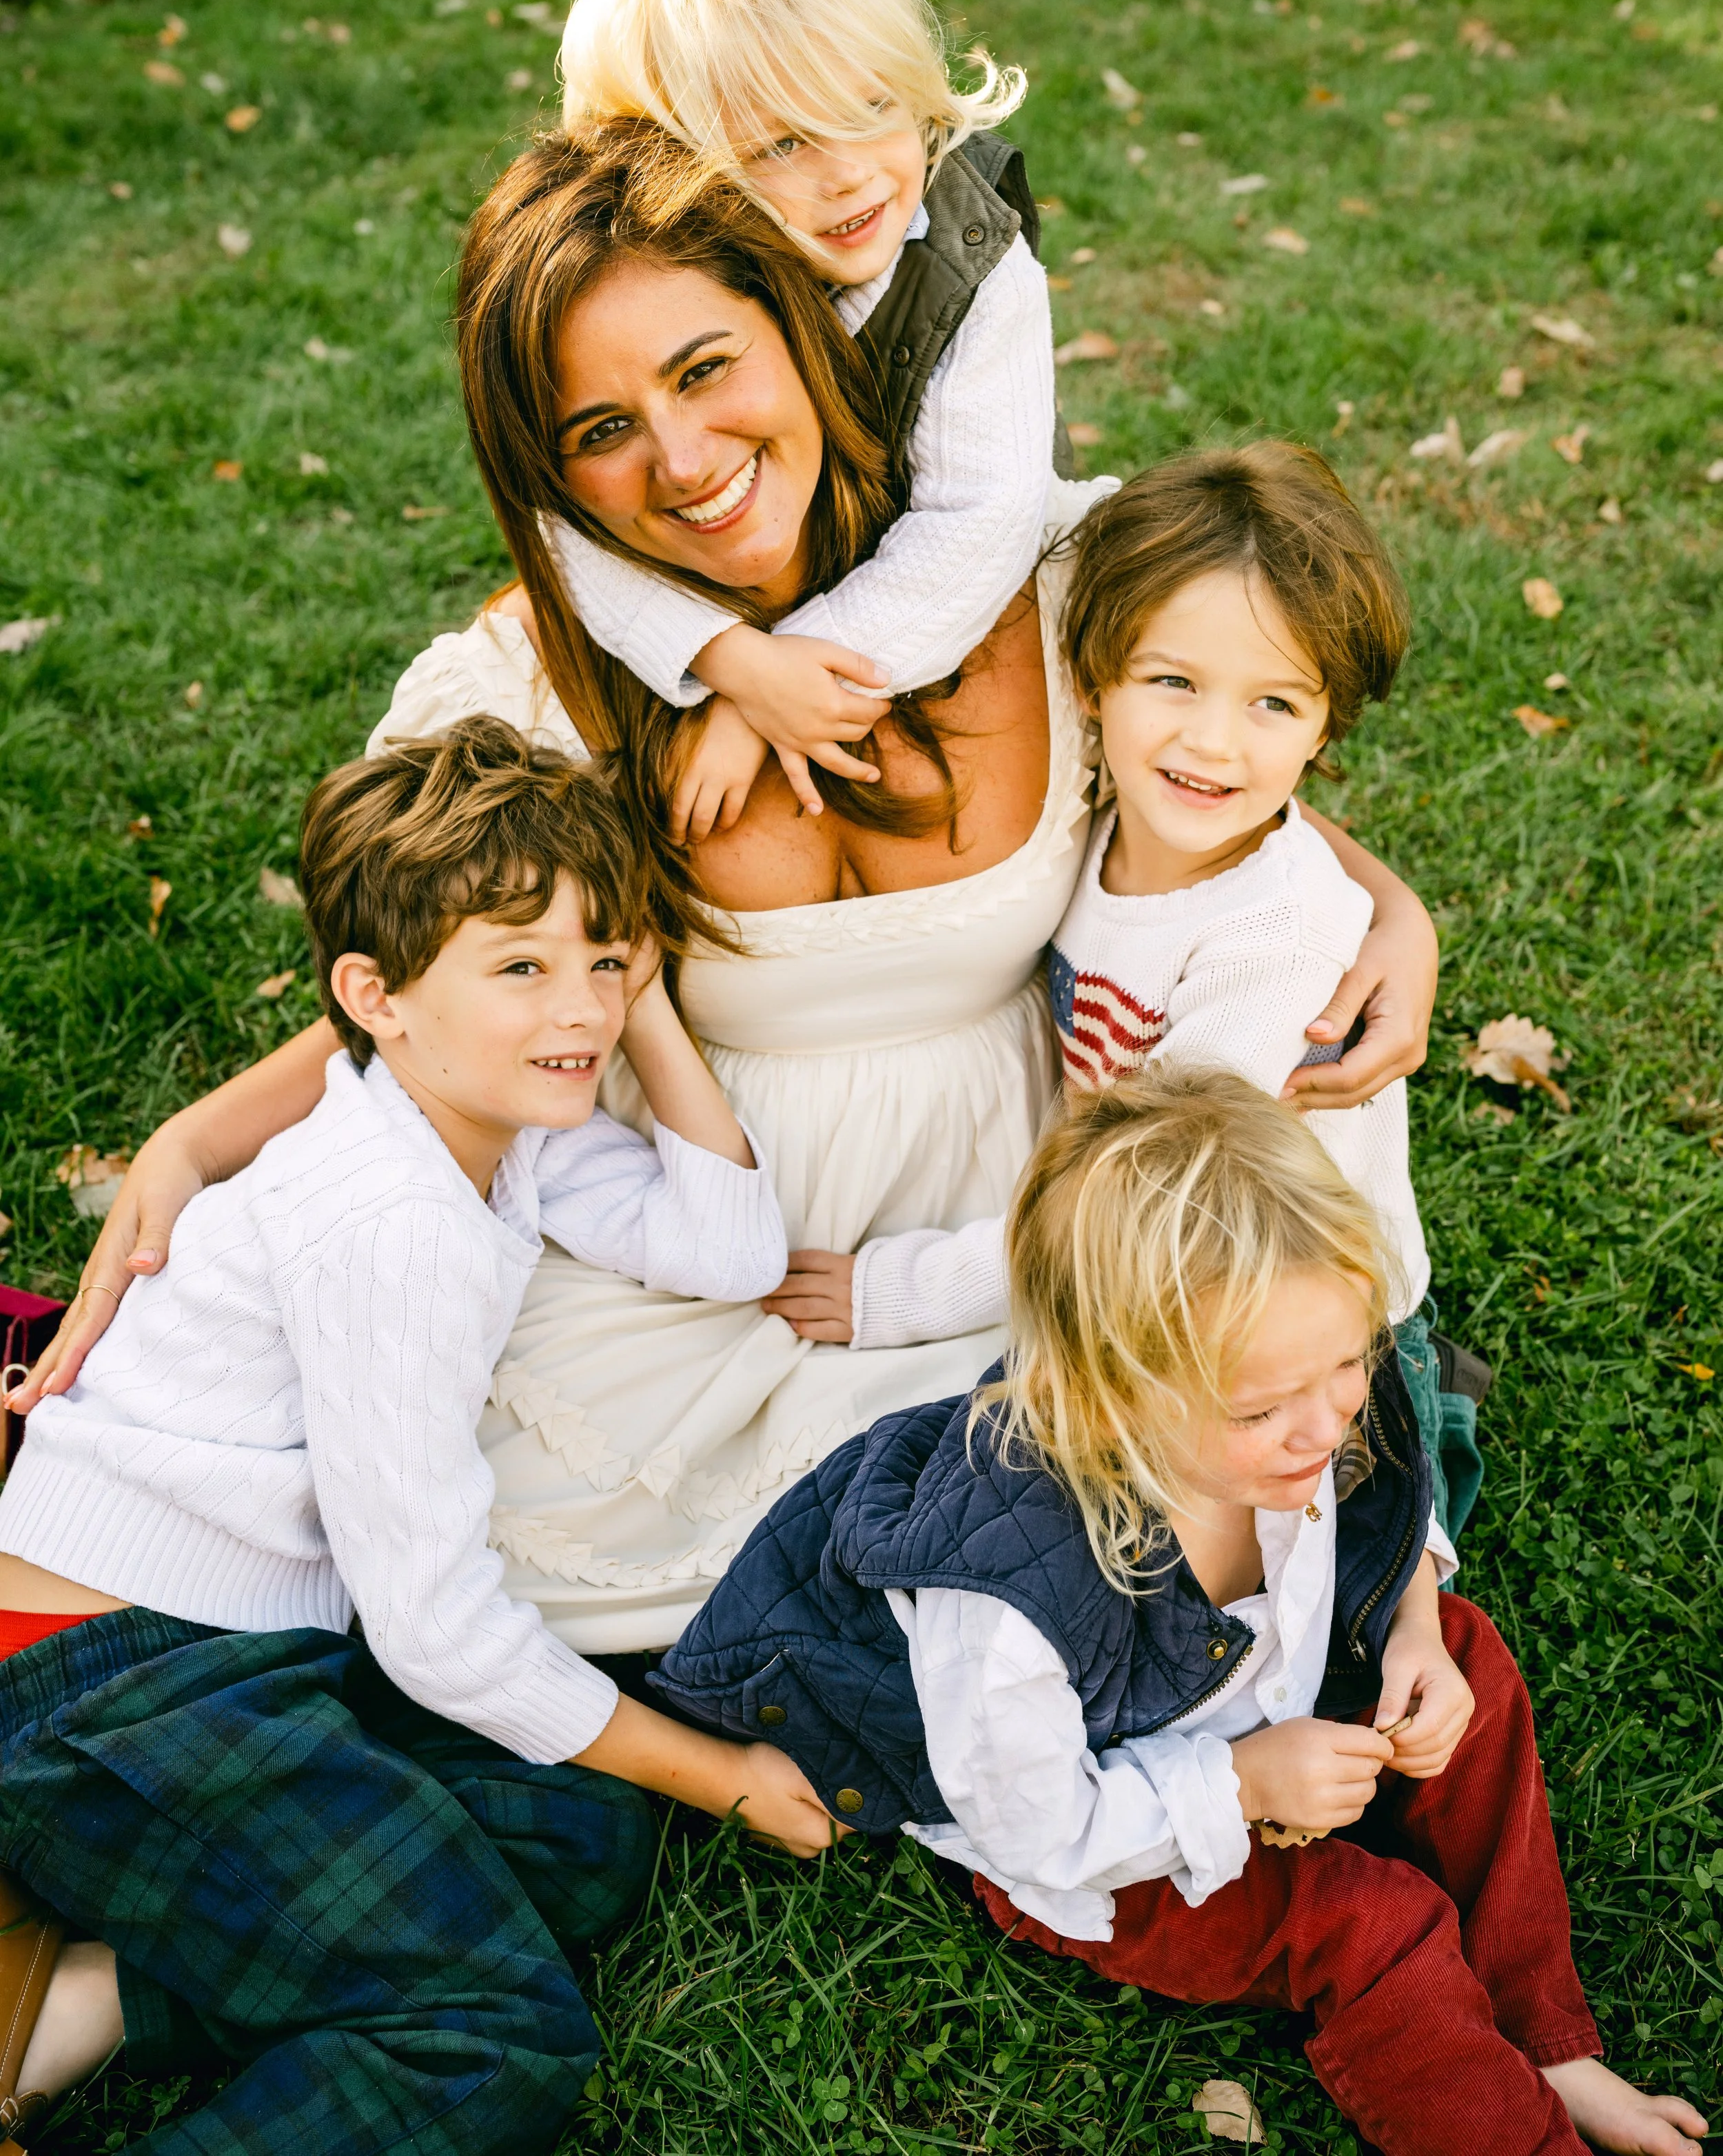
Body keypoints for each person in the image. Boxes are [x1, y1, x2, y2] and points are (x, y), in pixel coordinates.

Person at [14, 125, 1441, 1666]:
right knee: (434, 1540)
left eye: (706, 370)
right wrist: (200, 1138)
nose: (683, 463)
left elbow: (1221, 776)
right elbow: (433, 1001)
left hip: (1010, 1200)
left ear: (800, 332)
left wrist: (1390, 912)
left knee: (1171, 1492)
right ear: (544, 473)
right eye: (600, 428)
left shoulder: (1043, 576)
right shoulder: (531, 688)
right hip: (713, 1223)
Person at [0, 719, 831, 2155]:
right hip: (106, 1682)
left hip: (243, 1645)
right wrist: (729, 1777)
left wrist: (624, 999)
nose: (575, 1003)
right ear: (375, 997)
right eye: (519, 966)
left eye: (602, 951)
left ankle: (67, 1997)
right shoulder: (390, 1222)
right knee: (483, 2034)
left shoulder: (486, 1117)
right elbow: (438, 1630)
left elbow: (727, 1244)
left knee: (573, 1828)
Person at [653, 1070, 1706, 2156]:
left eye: (1346, 1362)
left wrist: (1413, 1631)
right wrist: (1247, 1782)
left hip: (1260, 1702)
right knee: (1363, 1919)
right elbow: (1041, 1830)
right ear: (1117, 1396)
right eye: (1260, 1407)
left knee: (1470, 1668)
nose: (1321, 1425)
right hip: (1121, 1835)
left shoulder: (1310, 1373)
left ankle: (1547, 2040)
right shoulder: (1014, 1589)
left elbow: (1394, 1491)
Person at [799, 441, 1484, 1533]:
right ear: (1094, 679)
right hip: (1154, 1260)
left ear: (1323, 726)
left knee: (1108, 1543)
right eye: (1174, 681)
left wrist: (898, 1294)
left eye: (1274, 703)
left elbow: (1140, 1201)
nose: (1212, 742)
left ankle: (1398, 1534)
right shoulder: (1111, 812)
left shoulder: (1279, 952)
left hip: (1291, 1323)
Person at [554, 0, 1067, 843]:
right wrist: (726, 661)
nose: (851, 175)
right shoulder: (668, 285)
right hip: (751, 609)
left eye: (871, 105)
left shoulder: (972, 263)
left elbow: (982, 527)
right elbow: (557, 516)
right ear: (666, 170)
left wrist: (782, 681)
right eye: (780, 144)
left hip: (955, 625)